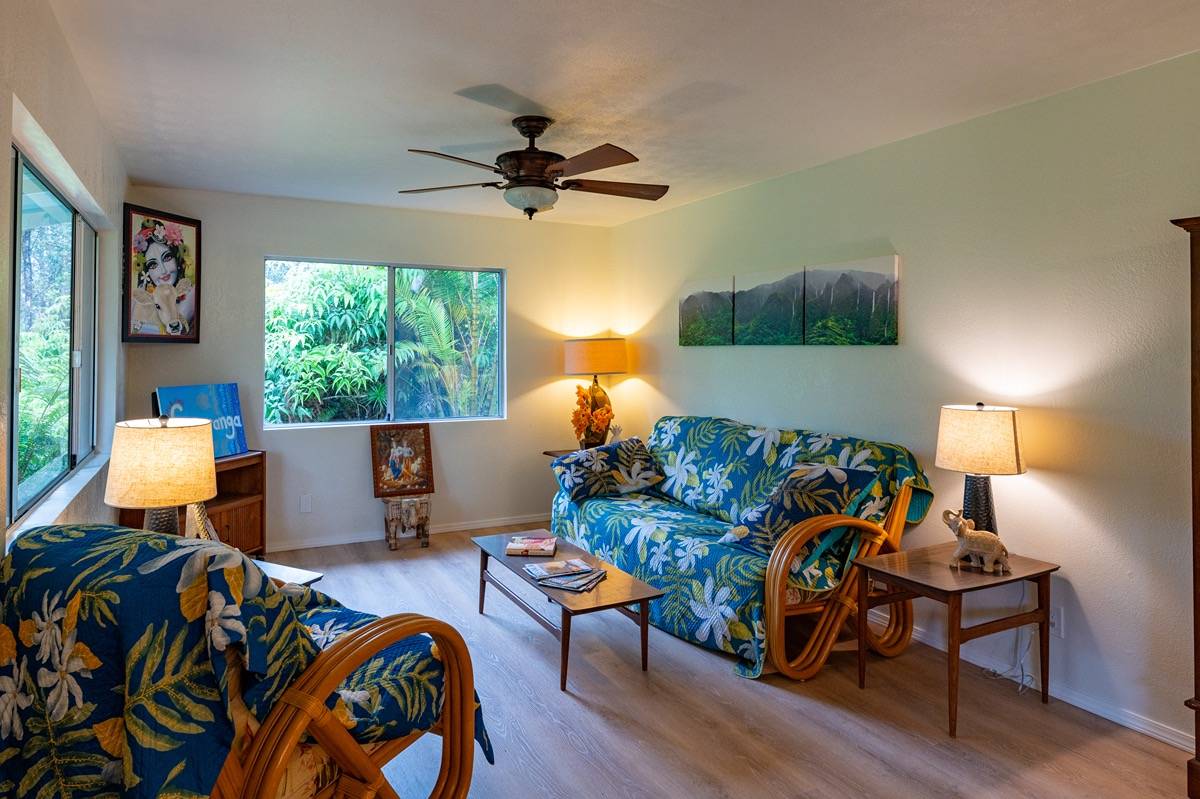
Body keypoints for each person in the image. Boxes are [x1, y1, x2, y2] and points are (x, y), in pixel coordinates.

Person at [132, 218, 195, 334]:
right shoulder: (139, 307)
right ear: (146, 273)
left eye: (167, 258)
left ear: (178, 258)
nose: (163, 271)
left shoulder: (192, 295)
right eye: (152, 265)